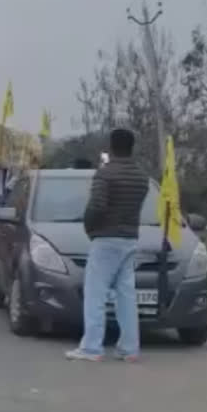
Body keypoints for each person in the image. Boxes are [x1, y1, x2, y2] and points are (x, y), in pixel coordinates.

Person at [67, 128, 149, 363]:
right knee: (126, 294)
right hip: (130, 238)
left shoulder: (105, 174)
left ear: (111, 147)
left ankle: (92, 348)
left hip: (106, 239)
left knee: (95, 294)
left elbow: (97, 206)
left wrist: (89, 227)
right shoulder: (141, 176)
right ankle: (130, 348)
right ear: (131, 147)